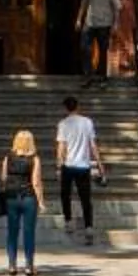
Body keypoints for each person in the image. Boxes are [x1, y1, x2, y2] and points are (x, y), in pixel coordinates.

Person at [0, 129, 44, 275]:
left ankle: (12, 265)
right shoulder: (34, 159)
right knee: (29, 232)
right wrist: (41, 201)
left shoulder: (8, 157)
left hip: (11, 197)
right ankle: (29, 266)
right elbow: (36, 182)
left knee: (12, 232)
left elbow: (4, 178)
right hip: (28, 197)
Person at [55, 93, 99, 239]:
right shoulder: (87, 122)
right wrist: (99, 163)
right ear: (77, 107)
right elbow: (93, 145)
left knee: (65, 194)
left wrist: (58, 165)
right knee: (85, 198)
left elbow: (61, 147)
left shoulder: (63, 124)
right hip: (83, 165)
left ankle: (68, 220)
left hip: (68, 164)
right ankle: (89, 226)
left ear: (65, 108)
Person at [77, 0, 126, 82]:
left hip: (104, 24)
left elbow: (117, 9)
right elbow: (83, 5)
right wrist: (79, 20)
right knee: (84, 48)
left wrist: (116, 24)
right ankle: (87, 75)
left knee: (103, 50)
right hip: (89, 23)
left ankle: (102, 76)